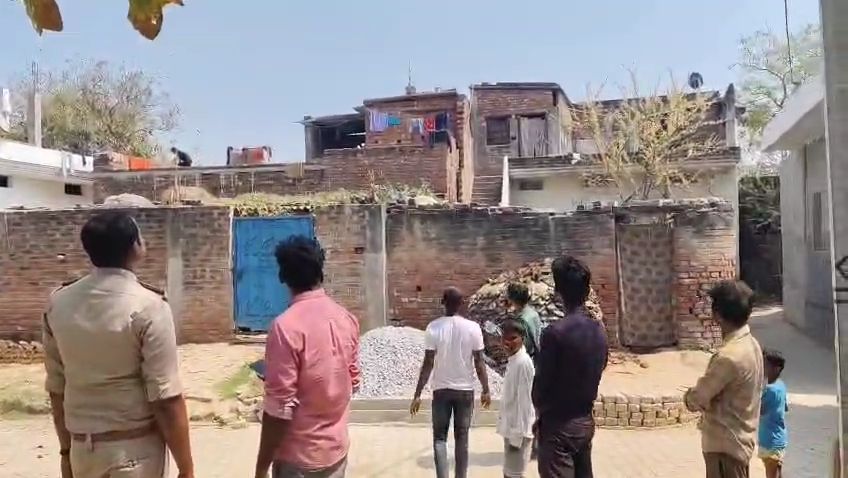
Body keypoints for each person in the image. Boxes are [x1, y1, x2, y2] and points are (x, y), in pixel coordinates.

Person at [42, 211, 194, 478]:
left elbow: (57, 389)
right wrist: (186, 468)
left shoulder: (59, 303)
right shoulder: (149, 306)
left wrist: (66, 453)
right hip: (134, 450)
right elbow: (166, 398)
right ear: (135, 247)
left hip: (82, 451)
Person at [254, 235, 361, 478]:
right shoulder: (347, 319)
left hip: (298, 460)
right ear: (320, 273)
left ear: (283, 277)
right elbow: (353, 382)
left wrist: (261, 468)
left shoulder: (285, 327)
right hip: (337, 453)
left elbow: (279, 410)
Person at [532, 256, 607, 478]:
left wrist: (542, 416)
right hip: (585, 422)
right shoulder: (598, 331)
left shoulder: (555, 334)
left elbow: (541, 386)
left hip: (558, 427)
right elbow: (600, 367)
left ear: (558, 292)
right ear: (587, 291)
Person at [684, 280, 764, 478]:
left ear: (717, 315)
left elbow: (698, 399)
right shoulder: (752, 344)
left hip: (725, 450)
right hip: (741, 443)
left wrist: (689, 396)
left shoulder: (728, 357)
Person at [410, 287, 491, 478]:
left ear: (442, 303)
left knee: (440, 438)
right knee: (462, 439)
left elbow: (428, 363)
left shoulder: (433, 327)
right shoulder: (473, 328)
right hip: (465, 391)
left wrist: (418, 394)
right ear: (461, 304)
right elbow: (479, 362)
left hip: (441, 391)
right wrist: (486, 389)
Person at [497, 319, 536, 478]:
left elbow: (525, 402)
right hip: (511, 428)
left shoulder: (523, 363)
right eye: (505, 338)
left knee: (513, 475)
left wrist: (517, 435)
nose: (508, 342)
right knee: (510, 473)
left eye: (513, 338)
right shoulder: (513, 360)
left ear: (522, 339)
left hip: (518, 432)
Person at [759, 349, 788, 478]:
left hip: (770, 441)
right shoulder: (781, 385)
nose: (763, 368)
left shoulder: (770, 390)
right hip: (778, 438)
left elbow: (759, 410)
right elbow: (784, 408)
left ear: (776, 368)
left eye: (766, 365)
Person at [506, 283, 542, 361]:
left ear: (511, 299)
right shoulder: (533, 313)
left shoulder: (521, 320)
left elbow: (524, 347)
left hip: (528, 359)